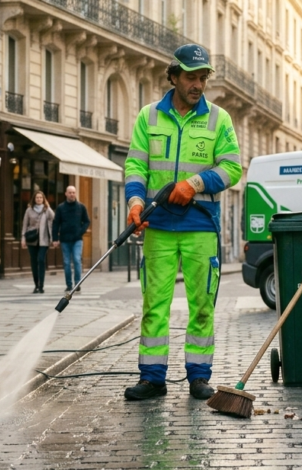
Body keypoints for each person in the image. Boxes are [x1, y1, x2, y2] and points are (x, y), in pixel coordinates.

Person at [122, 44, 242, 401]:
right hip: (157, 226)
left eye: (203, 77)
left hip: (200, 226)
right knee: (153, 305)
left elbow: (232, 168)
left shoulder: (219, 119)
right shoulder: (148, 117)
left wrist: (195, 184)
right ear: (173, 76)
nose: (198, 84)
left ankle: (199, 376)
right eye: (191, 77)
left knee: (202, 304)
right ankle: (152, 378)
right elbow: (136, 165)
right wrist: (135, 202)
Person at [52, 186, 91, 293]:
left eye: (73, 192)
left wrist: (81, 231)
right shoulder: (61, 208)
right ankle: (69, 285)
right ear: (66, 194)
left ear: (75, 193)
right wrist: (55, 238)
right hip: (65, 239)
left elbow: (87, 221)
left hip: (77, 239)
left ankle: (77, 283)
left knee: (77, 260)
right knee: (66, 262)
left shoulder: (81, 207)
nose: (72, 194)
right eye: (70, 192)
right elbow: (56, 223)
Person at [21, 191, 54, 294]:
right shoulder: (29, 210)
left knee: (41, 260)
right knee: (34, 262)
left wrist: (54, 237)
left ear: (43, 199)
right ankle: (36, 285)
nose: (39, 199)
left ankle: (41, 286)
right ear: (34, 199)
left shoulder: (47, 210)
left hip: (44, 240)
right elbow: (24, 225)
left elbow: (54, 219)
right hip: (32, 240)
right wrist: (23, 238)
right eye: (37, 198)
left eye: (41, 198)